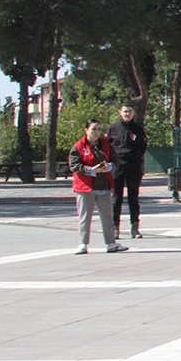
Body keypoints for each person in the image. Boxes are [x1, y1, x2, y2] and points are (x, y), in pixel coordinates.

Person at [69, 119, 128, 255]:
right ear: (86, 130)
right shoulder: (78, 146)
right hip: (85, 187)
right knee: (85, 216)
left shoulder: (106, 144)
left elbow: (115, 159)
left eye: (99, 129)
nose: (96, 132)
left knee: (107, 215)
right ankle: (83, 244)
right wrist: (91, 170)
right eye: (93, 129)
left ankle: (111, 243)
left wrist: (109, 167)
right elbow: (74, 165)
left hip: (104, 185)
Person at [107, 103, 147, 239]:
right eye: (125, 111)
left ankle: (135, 228)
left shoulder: (138, 129)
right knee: (116, 198)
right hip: (118, 166)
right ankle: (115, 228)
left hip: (133, 166)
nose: (127, 114)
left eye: (130, 111)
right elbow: (108, 147)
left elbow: (143, 147)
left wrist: (138, 161)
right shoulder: (113, 128)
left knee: (133, 198)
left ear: (133, 113)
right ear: (120, 112)